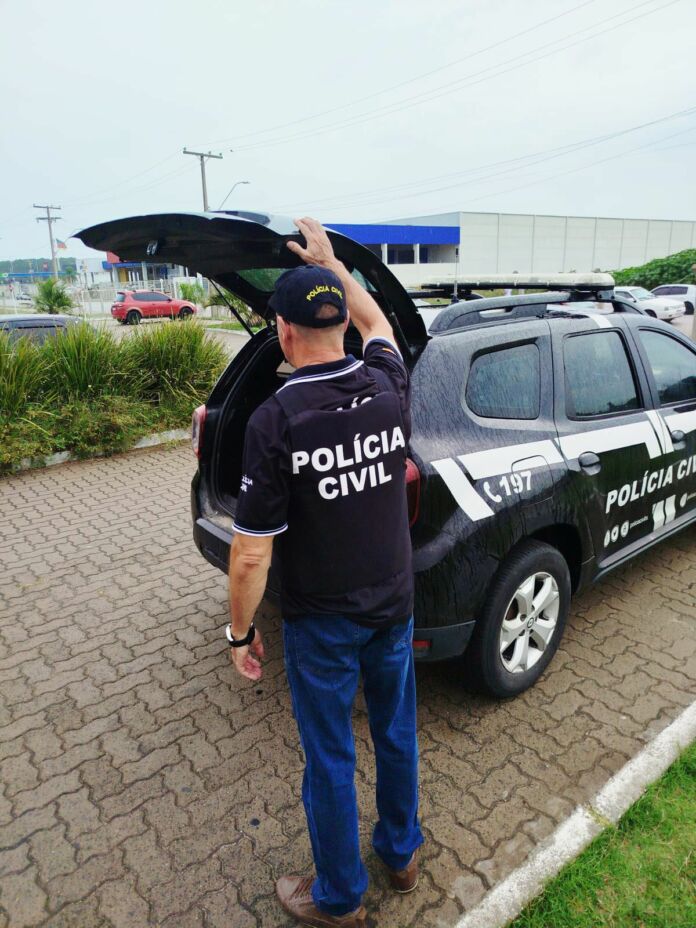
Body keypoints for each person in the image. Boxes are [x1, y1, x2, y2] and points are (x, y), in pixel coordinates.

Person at [226, 217, 423, 928]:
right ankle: (402, 854)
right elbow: (378, 320)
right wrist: (334, 265)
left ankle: (339, 899)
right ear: (340, 325)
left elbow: (251, 552)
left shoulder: (277, 419)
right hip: (393, 607)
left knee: (332, 757)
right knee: (396, 734)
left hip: (324, 625)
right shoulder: (388, 382)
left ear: (282, 333)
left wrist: (239, 632)